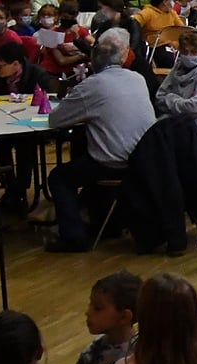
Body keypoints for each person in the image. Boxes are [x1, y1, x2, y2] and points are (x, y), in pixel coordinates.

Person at [44, 30, 156, 253]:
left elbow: (56, 119)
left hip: (115, 161)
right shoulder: (137, 78)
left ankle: (73, 236)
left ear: (92, 62)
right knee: (89, 153)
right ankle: (107, 222)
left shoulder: (93, 85)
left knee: (59, 177)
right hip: (146, 157)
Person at [153, 27, 197, 122]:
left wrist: (170, 98)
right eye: (184, 51)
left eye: (193, 52)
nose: (188, 56)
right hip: (173, 117)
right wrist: (181, 103)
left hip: (196, 123)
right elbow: (159, 97)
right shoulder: (179, 65)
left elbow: (194, 108)